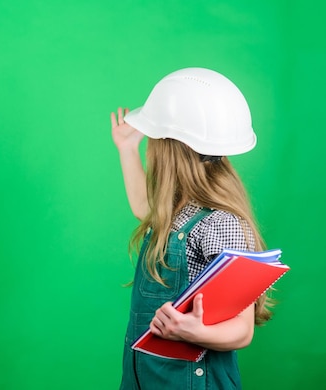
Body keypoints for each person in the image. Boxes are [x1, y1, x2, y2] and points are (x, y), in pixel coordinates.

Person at [111, 68, 274, 389]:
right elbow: (146, 209)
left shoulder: (220, 222)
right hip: (147, 376)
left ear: (165, 148)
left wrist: (193, 333)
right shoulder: (178, 206)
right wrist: (127, 149)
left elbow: (242, 330)